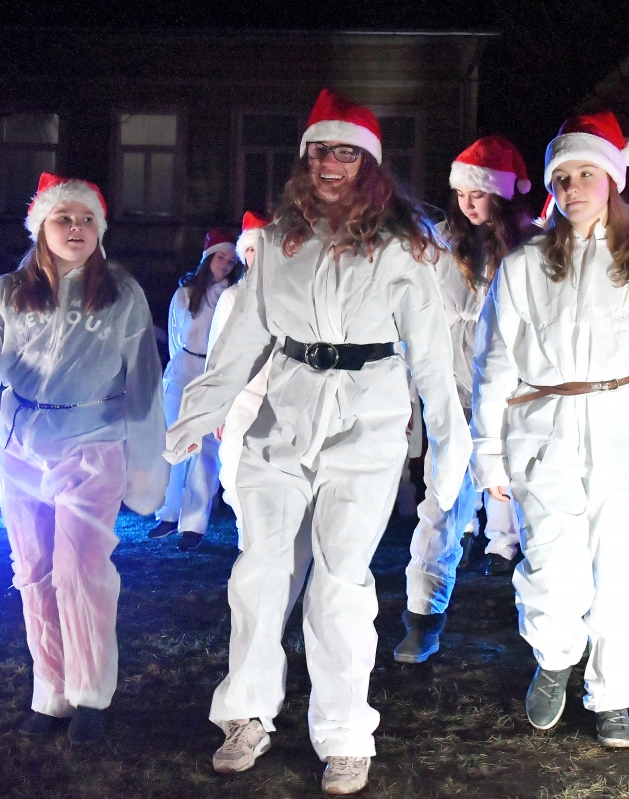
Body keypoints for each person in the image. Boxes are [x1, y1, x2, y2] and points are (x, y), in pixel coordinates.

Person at [165, 89, 471, 795]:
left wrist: (448, 449)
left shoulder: (403, 250)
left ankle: (344, 733)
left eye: (345, 153)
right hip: (282, 421)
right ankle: (246, 713)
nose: (330, 163)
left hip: (366, 428)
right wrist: (194, 415)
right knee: (260, 571)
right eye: (319, 151)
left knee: (338, 581)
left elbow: (431, 359)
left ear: (370, 165)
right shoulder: (280, 243)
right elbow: (239, 345)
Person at [471, 111, 629, 748]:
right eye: (563, 177)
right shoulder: (525, 266)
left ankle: (614, 692)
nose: (573, 188)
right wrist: (488, 454)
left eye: (585, 174)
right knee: (552, 558)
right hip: (545, 427)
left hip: (628, 429)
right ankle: (554, 656)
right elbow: (495, 362)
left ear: (611, 180)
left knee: (623, 568)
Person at [0, 172, 168, 745]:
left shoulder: (122, 294)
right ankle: (52, 693)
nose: (76, 228)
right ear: (41, 226)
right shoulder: (9, 293)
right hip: (18, 449)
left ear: (101, 230)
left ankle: (91, 696)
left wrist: (146, 459)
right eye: (64, 218)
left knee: (80, 569)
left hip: (93, 442)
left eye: (87, 219)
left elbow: (144, 379)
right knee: (34, 570)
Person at [394, 135, 531, 664]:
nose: (468, 204)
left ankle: (553, 636)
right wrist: (413, 392)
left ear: (501, 195)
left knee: (538, 511)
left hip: (517, 405)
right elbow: (416, 323)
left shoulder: (529, 249)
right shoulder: (441, 248)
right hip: (454, 402)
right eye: (461, 194)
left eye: (479, 194)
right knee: (442, 505)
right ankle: (422, 617)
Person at [148, 229, 241, 550]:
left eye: (231, 260)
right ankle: (169, 512)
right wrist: (180, 369)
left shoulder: (234, 296)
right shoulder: (185, 294)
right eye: (220, 257)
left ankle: (194, 523)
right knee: (175, 441)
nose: (225, 264)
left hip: (214, 376)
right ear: (207, 258)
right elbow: (175, 336)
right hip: (182, 373)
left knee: (207, 451)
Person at [208, 211, 271, 542]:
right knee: (234, 477)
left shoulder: (295, 298)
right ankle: (249, 544)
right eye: (249, 250)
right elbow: (217, 355)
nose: (255, 256)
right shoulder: (231, 298)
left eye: (261, 248)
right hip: (242, 401)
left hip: (284, 404)